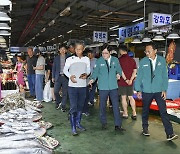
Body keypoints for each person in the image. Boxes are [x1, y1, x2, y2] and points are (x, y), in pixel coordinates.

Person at [135, 42, 178, 141]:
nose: (147, 53)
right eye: (146, 51)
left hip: (159, 91)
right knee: (145, 111)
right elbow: (139, 77)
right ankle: (145, 128)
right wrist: (138, 89)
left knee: (163, 112)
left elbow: (164, 76)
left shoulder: (162, 61)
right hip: (146, 91)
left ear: (155, 51)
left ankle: (170, 133)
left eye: (149, 51)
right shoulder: (143, 62)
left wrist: (164, 89)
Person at [89, 43, 126, 131]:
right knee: (102, 106)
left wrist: (125, 78)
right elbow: (95, 72)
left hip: (113, 87)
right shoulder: (99, 61)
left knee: (116, 106)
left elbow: (119, 70)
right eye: (103, 53)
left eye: (106, 53)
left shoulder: (115, 60)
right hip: (103, 87)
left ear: (110, 52)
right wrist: (92, 79)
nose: (104, 55)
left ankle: (118, 125)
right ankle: (103, 123)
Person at [63, 42, 90, 135]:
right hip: (72, 87)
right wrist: (70, 76)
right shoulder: (70, 59)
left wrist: (86, 74)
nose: (78, 51)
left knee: (80, 106)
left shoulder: (86, 59)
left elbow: (88, 69)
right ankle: (73, 127)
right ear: (74, 49)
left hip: (82, 86)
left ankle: (78, 123)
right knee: (73, 107)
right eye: (77, 49)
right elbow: (65, 70)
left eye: (80, 49)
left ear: (83, 49)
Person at [118, 45, 137, 120]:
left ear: (120, 51)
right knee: (130, 97)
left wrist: (126, 79)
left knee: (123, 97)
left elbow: (120, 71)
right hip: (130, 82)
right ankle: (134, 113)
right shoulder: (132, 60)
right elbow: (135, 70)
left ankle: (125, 113)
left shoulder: (119, 60)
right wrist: (131, 80)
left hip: (122, 81)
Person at [52, 45, 68, 111]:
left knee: (65, 93)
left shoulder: (69, 58)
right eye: (61, 49)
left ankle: (63, 106)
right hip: (58, 77)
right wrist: (53, 77)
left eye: (64, 49)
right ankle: (58, 102)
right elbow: (54, 68)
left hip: (66, 77)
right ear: (59, 50)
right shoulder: (56, 58)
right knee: (55, 91)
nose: (62, 50)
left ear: (66, 50)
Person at [82, 48, 97, 116]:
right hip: (83, 81)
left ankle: (89, 103)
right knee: (84, 96)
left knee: (89, 93)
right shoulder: (83, 61)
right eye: (87, 54)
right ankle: (83, 109)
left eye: (90, 54)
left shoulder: (96, 61)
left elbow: (95, 70)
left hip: (92, 79)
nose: (89, 55)